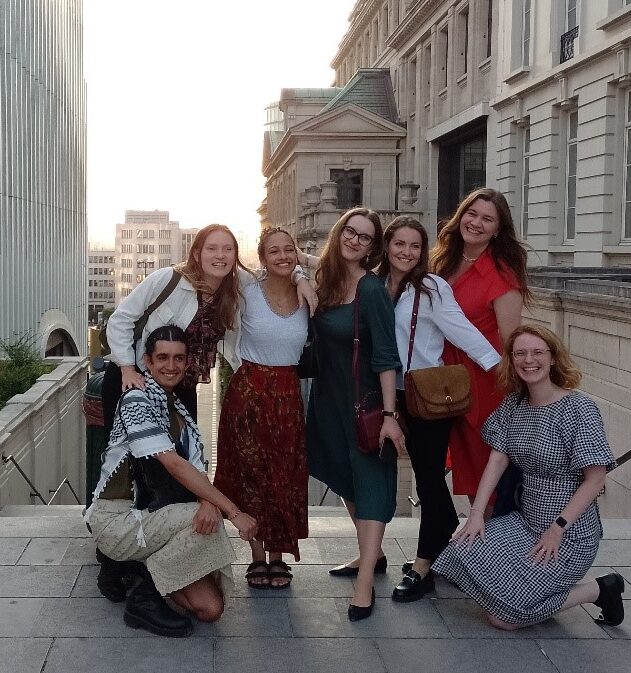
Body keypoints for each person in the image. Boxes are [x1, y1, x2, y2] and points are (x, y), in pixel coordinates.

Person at [99, 224, 315, 601]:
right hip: (133, 378)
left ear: (235, 257)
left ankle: (159, 550)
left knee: (178, 466)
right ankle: (112, 560)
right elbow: (120, 320)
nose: (220, 255)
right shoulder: (168, 280)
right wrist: (128, 369)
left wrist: (299, 274)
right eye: (212, 248)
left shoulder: (233, 287)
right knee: (127, 468)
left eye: (227, 249)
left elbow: (277, 267)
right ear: (196, 252)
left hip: (179, 384)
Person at [431, 325, 624, 630]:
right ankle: (529, 589)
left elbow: (595, 480)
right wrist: (477, 514)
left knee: (503, 618)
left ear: (553, 358)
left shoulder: (579, 408)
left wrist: (557, 529)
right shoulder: (515, 404)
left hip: (569, 535)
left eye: (537, 352)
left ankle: (599, 589)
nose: (528, 360)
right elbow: (497, 459)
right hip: (524, 523)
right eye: (520, 353)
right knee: (460, 551)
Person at [84, 325, 258, 637]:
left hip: (156, 517)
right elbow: (174, 464)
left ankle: (136, 566)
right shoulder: (136, 401)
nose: (171, 365)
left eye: (179, 358)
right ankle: (143, 596)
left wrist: (208, 501)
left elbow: (196, 470)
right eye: (162, 357)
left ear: (187, 362)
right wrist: (232, 512)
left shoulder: (178, 411)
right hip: (119, 521)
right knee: (205, 519)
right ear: (147, 362)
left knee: (210, 609)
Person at [376, 216, 501, 602]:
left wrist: (502, 369)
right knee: (423, 476)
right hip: (390, 396)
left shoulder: (431, 287)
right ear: (387, 245)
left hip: (427, 398)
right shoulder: (376, 283)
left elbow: (462, 331)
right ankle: (444, 537)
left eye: (415, 246)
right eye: (400, 244)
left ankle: (423, 565)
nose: (407, 252)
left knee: (428, 479)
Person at [305, 207, 405, 621]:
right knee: (344, 475)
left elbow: (386, 357)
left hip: (365, 402)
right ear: (339, 232)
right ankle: (373, 555)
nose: (355, 240)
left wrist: (390, 415)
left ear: (372, 247)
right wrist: (300, 277)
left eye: (365, 237)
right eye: (350, 231)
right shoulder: (327, 280)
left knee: (370, 483)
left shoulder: (371, 290)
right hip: (329, 398)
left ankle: (365, 582)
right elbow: (291, 258)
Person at [214, 227, 309, 589]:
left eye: (289, 249)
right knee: (251, 474)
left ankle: (278, 556)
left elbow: (332, 265)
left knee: (285, 475)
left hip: (288, 395)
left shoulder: (309, 289)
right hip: (249, 392)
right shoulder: (247, 288)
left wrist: (301, 273)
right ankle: (257, 555)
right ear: (263, 258)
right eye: (274, 251)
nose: (283, 256)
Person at [429, 188, 530, 508]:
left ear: (498, 229)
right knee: (464, 463)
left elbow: (511, 340)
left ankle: (489, 532)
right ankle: (478, 529)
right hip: (443, 375)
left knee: (483, 465)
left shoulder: (502, 275)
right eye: (471, 214)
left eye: (487, 219)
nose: (476, 223)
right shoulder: (441, 260)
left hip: (483, 381)